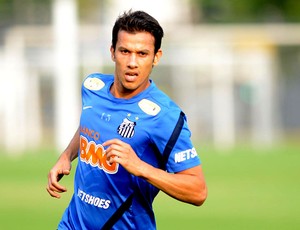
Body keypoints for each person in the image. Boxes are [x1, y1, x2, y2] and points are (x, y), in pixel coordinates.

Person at [46, 10, 207, 230]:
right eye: (125, 51)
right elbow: (90, 124)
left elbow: (198, 191)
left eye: (142, 54)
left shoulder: (165, 116)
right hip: (73, 224)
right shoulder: (93, 87)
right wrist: (67, 156)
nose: (132, 62)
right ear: (112, 52)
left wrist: (140, 167)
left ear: (156, 57)